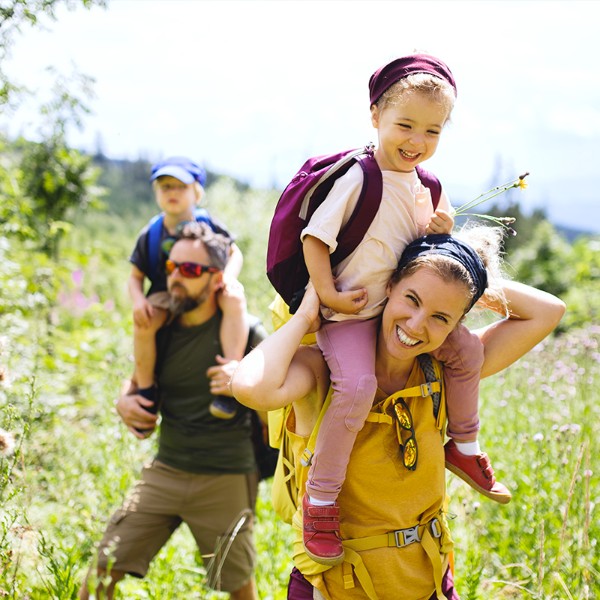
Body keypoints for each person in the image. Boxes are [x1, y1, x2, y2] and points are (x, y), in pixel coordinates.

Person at [232, 227, 566, 599]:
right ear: (387, 286)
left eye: (441, 317)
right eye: (412, 298)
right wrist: (306, 314)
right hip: (335, 588)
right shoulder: (324, 370)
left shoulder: (445, 372)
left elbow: (547, 311)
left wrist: (462, 277)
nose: (416, 325)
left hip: (428, 582)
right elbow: (251, 387)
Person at [295, 53, 509, 563]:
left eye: (432, 131)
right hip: (350, 313)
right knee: (357, 385)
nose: (417, 141)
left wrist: (440, 229)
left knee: (466, 354)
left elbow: (426, 253)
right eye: (405, 125)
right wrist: (325, 295)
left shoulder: (426, 186)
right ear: (375, 116)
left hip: (397, 308)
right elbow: (315, 238)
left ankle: (464, 444)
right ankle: (321, 499)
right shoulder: (359, 176)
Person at [79, 222, 265, 600]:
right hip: (167, 468)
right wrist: (123, 400)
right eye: (171, 267)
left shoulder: (248, 332)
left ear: (217, 279)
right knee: (101, 570)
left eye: (191, 270)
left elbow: (276, 409)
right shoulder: (160, 326)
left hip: (226, 474)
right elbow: (137, 382)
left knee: (238, 584)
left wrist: (247, 385)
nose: (176, 277)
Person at [128, 155, 246, 420]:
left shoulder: (209, 224)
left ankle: (229, 377)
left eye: (180, 186)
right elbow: (135, 276)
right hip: (165, 293)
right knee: (144, 324)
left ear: (197, 192)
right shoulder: (151, 233)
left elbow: (234, 253)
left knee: (235, 300)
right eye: (165, 186)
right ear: (156, 192)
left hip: (206, 288)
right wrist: (138, 301)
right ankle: (146, 390)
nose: (173, 193)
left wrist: (228, 277)